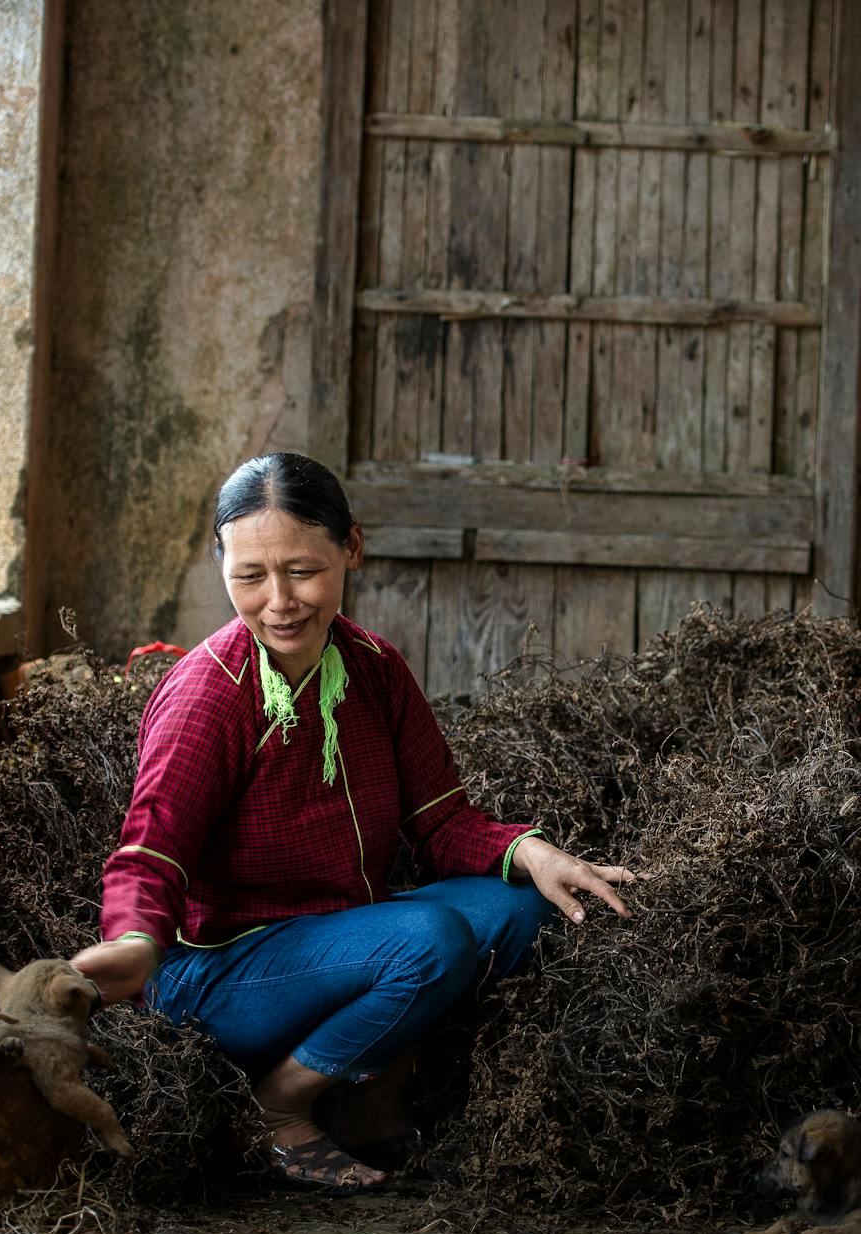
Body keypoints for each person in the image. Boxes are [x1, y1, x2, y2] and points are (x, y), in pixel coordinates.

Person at [70, 452, 634, 1191]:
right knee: (430, 941)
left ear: (352, 550)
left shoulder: (375, 668)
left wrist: (531, 853)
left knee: (524, 908)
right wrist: (138, 942)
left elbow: (442, 821)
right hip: (223, 975)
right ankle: (277, 1106)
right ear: (222, 568)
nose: (279, 601)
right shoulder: (208, 695)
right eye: (250, 576)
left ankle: (365, 1081)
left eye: (303, 570)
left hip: (343, 939)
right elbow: (150, 853)